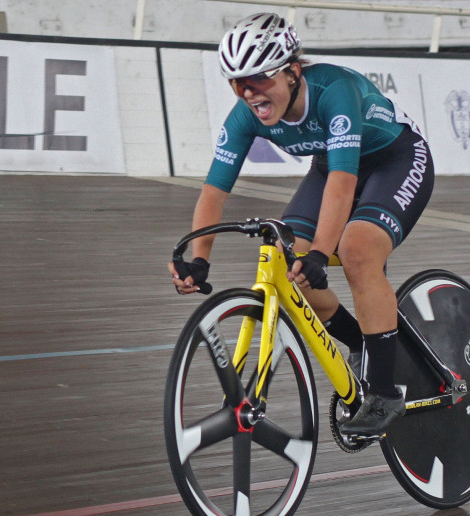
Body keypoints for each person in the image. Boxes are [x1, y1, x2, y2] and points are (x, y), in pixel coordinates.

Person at [168, 12, 434, 437]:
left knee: (357, 250)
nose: (248, 92)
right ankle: (360, 340)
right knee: (285, 260)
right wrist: (199, 260)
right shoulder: (244, 116)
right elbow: (213, 193)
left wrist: (320, 253)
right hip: (331, 165)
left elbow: (343, 186)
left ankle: (385, 394)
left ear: (292, 72)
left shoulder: (333, 91)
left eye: (259, 79)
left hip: (395, 158)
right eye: (237, 83)